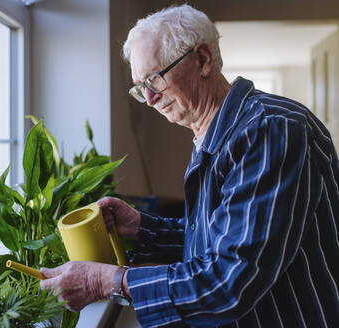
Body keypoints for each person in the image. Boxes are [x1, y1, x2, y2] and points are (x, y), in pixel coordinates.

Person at [40, 4, 339, 327]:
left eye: (154, 79)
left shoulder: (268, 130)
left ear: (203, 59)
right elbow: (222, 237)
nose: (150, 99)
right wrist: (143, 228)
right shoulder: (214, 134)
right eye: (141, 88)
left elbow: (229, 282)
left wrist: (108, 281)